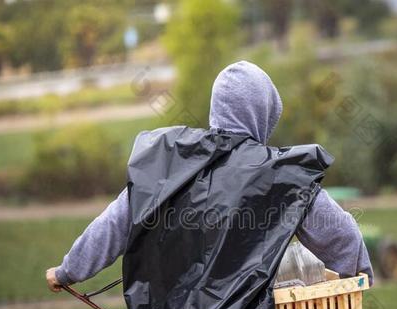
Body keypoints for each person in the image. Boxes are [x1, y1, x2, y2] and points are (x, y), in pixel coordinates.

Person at [46, 61, 373, 292]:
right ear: (265, 113)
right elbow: (339, 231)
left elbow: (114, 222)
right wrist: (358, 272)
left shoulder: (172, 163)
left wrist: (67, 271)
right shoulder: (280, 174)